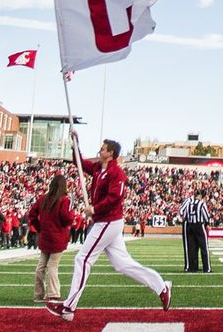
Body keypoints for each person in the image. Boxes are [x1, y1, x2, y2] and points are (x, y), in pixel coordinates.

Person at [49, 136, 171, 321]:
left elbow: (115, 197)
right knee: (122, 264)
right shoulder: (98, 168)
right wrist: (76, 144)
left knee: (82, 259)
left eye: (103, 149)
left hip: (108, 221)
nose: (100, 151)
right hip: (104, 222)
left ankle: (69, 307)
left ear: (111, 153)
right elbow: (80, 164)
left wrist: (95, 209)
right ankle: (161, 287)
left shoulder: (117, 174)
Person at [25, 173, 76, 303]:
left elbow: (32, 214)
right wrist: (71, 212)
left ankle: (38, 294)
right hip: (58, 236)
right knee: (53, 266)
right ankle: (53, 294)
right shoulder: (64, 200)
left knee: (41, 266)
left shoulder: (43, 199)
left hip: (45, 235)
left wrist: (39, 227)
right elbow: (67, 218)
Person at [178, 183, 212, 273]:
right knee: (203, 247)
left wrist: (185, 217)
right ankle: (206, 268)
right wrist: (208, 223)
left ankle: (192, 267)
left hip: (190, 225)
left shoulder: (190, 203)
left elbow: (182, 212)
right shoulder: (200, 203)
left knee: (192, 247)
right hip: (198, 225)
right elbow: (206, 215)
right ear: (200, 196)